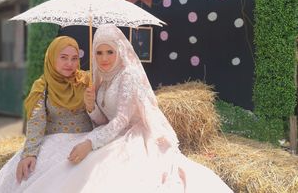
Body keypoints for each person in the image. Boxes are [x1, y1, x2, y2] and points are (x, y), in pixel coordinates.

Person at [66, 24, 233, 192]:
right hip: (113, 133)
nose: (104, 59)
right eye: (99, 53)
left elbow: (122, 120)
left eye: (110, 52)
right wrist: (90, 106)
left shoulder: (128, 75)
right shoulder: (102, 80)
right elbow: (103, 121)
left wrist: (91, 142)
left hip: (134, 135)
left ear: (120, 51)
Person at [0, 36, 94, 192]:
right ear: (52, 58)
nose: (70, 64)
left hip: (84, 141)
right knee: (31, 176)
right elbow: (37, 121)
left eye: (74, 58)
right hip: (53, 141)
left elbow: (101, 116)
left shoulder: (88, 81)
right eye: (63, 57)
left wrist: (91, 103)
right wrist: (30, 153)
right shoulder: (42, 86)